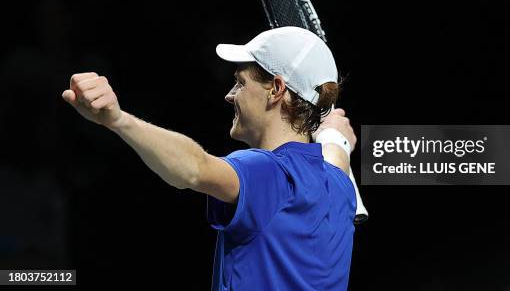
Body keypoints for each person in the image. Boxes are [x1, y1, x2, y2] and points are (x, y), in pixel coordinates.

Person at [62, 26, 357, 290]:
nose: (230, 95)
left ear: (277, 89)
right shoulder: (339, 186)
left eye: (241, 83)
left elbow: (195, 169)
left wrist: (117, 120)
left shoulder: (266, 172)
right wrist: (335, 136)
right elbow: (336, 154)